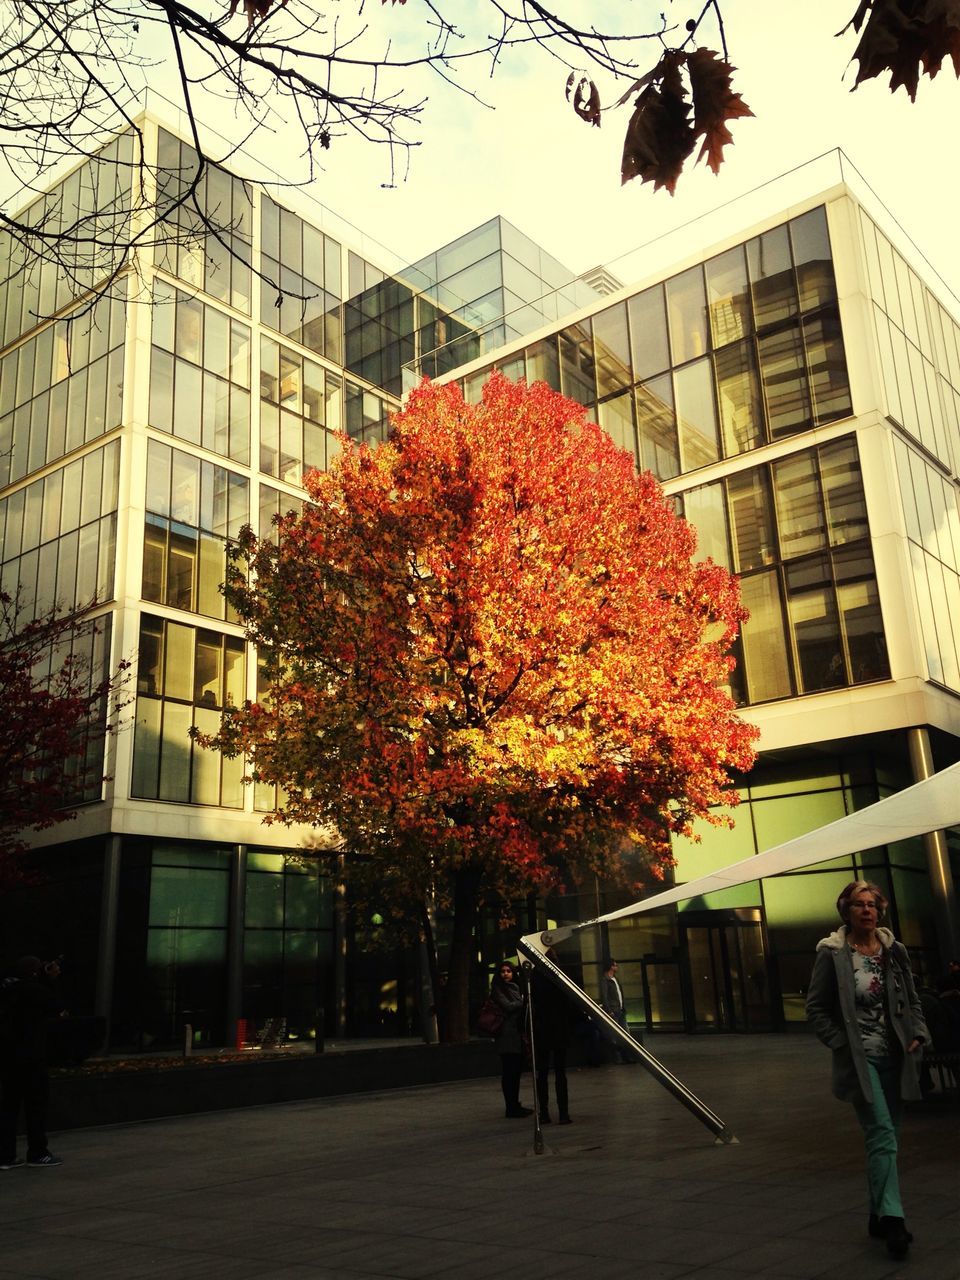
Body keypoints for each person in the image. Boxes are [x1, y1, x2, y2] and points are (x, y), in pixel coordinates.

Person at [805, 881, 928, 1260]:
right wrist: (841, 1044)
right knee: (882, 1133)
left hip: (897, 1056)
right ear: (846, 911)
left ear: (880, 910)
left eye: (872, 904)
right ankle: (893, 1219)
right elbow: (816, 1008)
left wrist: (919, 1033)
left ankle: (876, 1214)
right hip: (862, 1061)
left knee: (885, 1137)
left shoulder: (896, 952)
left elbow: (912, 997)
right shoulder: (833, 954)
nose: (866, 911)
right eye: (858, 905)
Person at [0, 956, 66, 1170]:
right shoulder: (36, 991)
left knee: (8, 1107)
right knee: (36, 1106)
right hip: (31, 1058)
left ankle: (5, 1155)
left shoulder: (7, 989)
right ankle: (37, 1152)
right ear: (37, 973)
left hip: (8, 1056)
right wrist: (51, 979)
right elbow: (56, 1006)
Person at [530, 949, 573, 1125]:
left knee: (542, 1072)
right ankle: (563, 1113)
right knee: (560, 1072)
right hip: (559, 1029)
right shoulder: (561, 977)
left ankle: (544, 1112)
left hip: (542, 1030)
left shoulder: (535, 977)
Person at [489, 960, 531, 1119]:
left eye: (508, 971)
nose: (505, 974)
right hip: (506, 1035)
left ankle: (515, 1103)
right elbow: (508, 1006)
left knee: (515, 1072)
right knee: (509, 1072)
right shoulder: (498, 990)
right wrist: (522, 1002)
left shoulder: (517, 988)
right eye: (503, 971)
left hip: (517, 1034)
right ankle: (511, 1107)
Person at [600, 957, 637, 1061]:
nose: (617, 967)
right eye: (615, 965)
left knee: (626, 1034)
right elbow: (605, 996)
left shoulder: (615, 979)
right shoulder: (605, 979)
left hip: (620, 1010)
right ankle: (618, 1058)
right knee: (615, 1035)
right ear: (611, 966)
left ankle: (627, 1057)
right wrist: (609, 1010)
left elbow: (619, 994)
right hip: (614, 1011)